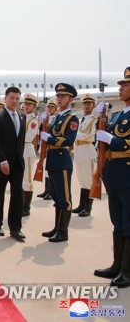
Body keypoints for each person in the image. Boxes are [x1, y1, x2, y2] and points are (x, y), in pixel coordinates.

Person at [94, 67, 130, 288]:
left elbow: (122, 142)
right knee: (117, 222)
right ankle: (117, 264)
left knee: (129, 223)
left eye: (125, 85)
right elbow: (101, 139)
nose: (120, 88)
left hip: (127, 173)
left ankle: (127, 270)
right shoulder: (117, 115)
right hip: (113, 173)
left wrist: (111, 139)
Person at [40, 83, 79, 243]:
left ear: (70, 98)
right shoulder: (57, 117)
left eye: (63, 96)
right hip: (53, 161)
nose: (59, 99)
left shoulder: (72, 118)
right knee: (56, 197)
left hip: (62, 161)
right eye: (58, 96)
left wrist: (49, 138)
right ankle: (57, 228)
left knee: (65, 198)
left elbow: (69, 140)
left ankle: (63, 232)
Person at [0, 87, 26, 241]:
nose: (15, 101)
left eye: (17, 98)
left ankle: (15, 228)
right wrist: (2, 160)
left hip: (17, 163)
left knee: (18, 195)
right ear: (5, 98)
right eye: (12, 98)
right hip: (2, 163)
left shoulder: (22, 116)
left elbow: (21, 141)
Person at [72, 94, 98, 217]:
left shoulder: (94, 120)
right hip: (79, 150)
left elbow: (92, 136)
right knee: (82, 180)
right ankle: (81, 205)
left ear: (93, 105)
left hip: (88, 150)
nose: (86, 106)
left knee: (89, 180)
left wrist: (76, 135)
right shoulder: (80, 119)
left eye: (89, 103)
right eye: (85, 103)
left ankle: (88, 207)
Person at [21, 94, 39, 216]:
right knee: (20, 180)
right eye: (25, 104)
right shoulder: (21, 117)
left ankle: (26, 207)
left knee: (27, 180)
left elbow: (29, 136)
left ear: (34, 106)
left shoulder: (33, 120)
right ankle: (21, 204)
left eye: (29, 104)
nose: (26, 106)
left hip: (27, 150)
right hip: (20, 150)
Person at [37, 99, 58, 200]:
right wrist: (42, 122)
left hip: (50, 146)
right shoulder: (45, 118)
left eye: (52, 107)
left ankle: (51, 192)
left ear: (55, 109)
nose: (50, 109)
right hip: (44, 146)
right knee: (45, 169)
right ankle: (46, 190)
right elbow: (40, 131)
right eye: (48, 107)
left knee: (49, 170)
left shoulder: (55, 119)